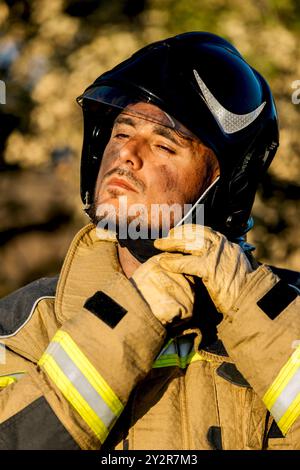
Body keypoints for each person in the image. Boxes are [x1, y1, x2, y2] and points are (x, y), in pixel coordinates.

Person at [0, 31, 299, 450]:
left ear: (227, 186)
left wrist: (252, 307)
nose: (127, 154)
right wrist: (129, 316)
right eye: (122, 134)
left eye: (163, 144)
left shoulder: (289, 314)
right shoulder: (23, 324)